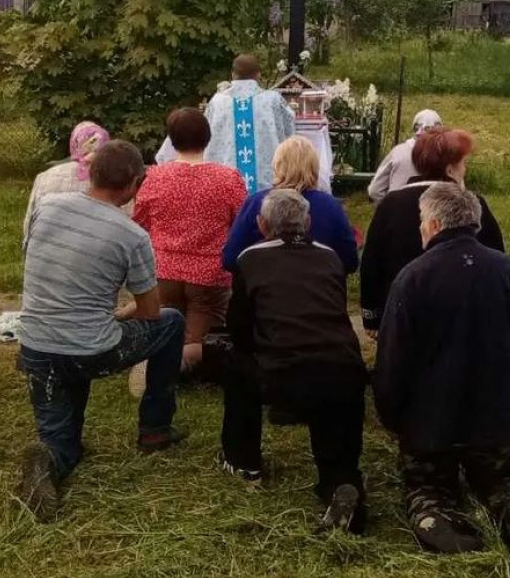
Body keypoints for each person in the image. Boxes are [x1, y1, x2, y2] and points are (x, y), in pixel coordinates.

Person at [16, 141, 185, 521]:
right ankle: (155, 429)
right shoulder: (132, 236)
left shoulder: (47, 207)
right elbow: (151, 312)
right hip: (91, 349)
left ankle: (49, 459)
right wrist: (119, 314)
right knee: (173, 323)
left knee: (64, 443)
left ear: (91, 173)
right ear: (132, 184)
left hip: (37, 347)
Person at [374, 183, 510, 559]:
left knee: (427, 488)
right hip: (496, 419)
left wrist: (394, 416)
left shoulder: (413, 277)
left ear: (433, 224)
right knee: (500, 479)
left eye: (421, 222)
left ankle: (436, 519)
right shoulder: (506, 272)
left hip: (432, 425)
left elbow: (392, 360)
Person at [219, 189, 368, 534]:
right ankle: (340, 482)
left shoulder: (249, 259)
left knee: (235, 362)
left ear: (260, 224)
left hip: (284, 375)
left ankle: (243, 461)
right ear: (309, 223)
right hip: (345, 371)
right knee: (335, 414)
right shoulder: (330, 257)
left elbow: (238, 328)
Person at [128, 108, 247, 390]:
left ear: (172, 139)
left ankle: (157, 362)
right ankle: (180, 365)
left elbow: (140, 223)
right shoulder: (228, 179)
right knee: (201, 337)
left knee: (168, 322)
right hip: (209, 274)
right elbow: (241, 224)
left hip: (164, 271)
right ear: (207, 137)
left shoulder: (155, 177)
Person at [360, 128, 505, 334]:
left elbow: (372, 260)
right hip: (461, 316)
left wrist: (371, 316)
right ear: (449, 169)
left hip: (401, 314)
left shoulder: (392, 203)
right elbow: (495, 255)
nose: (465, 169)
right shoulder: (472, 205)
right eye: (463, 163)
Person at [154, 54, 295, 194]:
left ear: (232, 75)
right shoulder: (273, 100)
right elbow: (289, 130)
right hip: (265, 185)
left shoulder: (218, 101)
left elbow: (203, 136)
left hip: (224, 183)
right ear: (258, 75)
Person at [222, 136, 359, 274]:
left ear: (278, 165)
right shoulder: (330, 207)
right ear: (314, 167)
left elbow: (231, 259)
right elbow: (349, 261)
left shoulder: (257, 203)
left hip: (264, 288)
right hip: (319, 289)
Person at [23, 121, 111, 238]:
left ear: (74, 143)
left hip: (49, 243)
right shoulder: (114, 176)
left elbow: (30, 222)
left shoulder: (45, 177)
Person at [367, 109, 443, 202]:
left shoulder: (398, 152)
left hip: (398, 211)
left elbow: (375, 190)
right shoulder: (445, 155)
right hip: (433, 213)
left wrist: (390, 207)